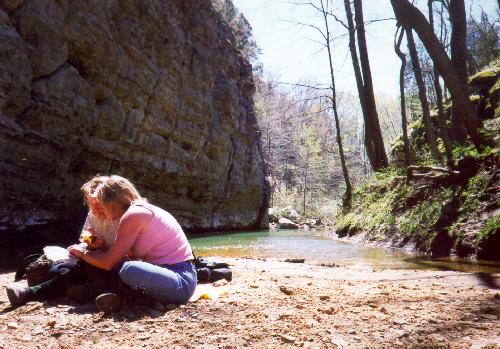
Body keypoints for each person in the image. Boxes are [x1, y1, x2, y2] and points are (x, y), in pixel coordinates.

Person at [67, 175, 197, 309]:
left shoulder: (133, 215)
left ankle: (117, 295)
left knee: (129, 269)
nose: (107, 214)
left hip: (181, 280)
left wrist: (83, 253)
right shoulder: (139, 210)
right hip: (169, 274)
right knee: (106, 262)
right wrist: (98, 248)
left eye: (105, 203)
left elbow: (108, 262)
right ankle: (112, 293)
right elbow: (122, 256)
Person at [5, 176, 120, 307]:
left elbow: (123, 251)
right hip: (93, 261)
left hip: (111, 265)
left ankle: (29, 293)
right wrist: (88, 244)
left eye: (98, 205)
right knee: (62, 270)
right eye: (90, 204)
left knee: (73, 272)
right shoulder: (92, 215)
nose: (94, 209)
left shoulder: (121, 217)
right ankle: (86, 291)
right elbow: (85, 238)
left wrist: (101, 246)